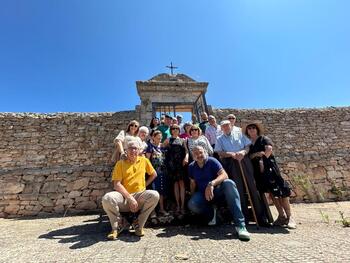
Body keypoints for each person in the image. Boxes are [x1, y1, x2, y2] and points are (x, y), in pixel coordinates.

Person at [215, 120, 272, 226]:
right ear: (221, 128)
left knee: (252, 187)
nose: (226, 127)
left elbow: (247, 146)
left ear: (231, 125)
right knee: (238, 190)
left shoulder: (240, 133)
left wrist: (243, 152)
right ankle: (243, 219)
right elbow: (219, 152)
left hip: (244, 160)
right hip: (231, 162)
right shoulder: (219, 139)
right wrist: (230, 154)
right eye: (224, 126)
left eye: (227, 125)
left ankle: (261, 218)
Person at [187, 146, 250, 241]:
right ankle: (213, 215)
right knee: (192, 204)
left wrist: (212, 184)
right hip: (203, 195)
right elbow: (192, 183)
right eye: (196, 153)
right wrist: (193, 195)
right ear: (193, 156)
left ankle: (240, 225)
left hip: (217, 191)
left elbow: (224, 175)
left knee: (229, 183)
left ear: (205, 152)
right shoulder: (191, 167)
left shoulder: (212, 161)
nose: (199, 155)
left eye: (200, 152)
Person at [102, 140, 160, 240]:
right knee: (107, 198)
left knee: (154, 195)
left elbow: (154, 174)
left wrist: (144, 185)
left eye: (135, 148)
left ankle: (138, 224)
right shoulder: (120, 164)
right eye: (130, 148)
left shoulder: (144, 161)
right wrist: (129, 198)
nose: (133, 150)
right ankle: (117, 226)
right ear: (126, 150)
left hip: (139, 197)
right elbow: (117, 185)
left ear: (139, 150)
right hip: (124, 197)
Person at [244, 121, 296, 229]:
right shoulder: (249, 143)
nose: (251, 129)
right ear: (247, 131)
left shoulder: (263, 139)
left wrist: (262, 160)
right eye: (249, 128)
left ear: (257, 129)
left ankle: (290, 217)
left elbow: (269, 149)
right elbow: (250, 156)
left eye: (253, 127)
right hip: (259, 172)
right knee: (272, 193)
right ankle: (281, 216)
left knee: (281, 191)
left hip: (270, 169)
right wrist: (257, 154)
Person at [163, 124, 189, 214]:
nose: (175, 130)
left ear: (179, 130)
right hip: (171, 165)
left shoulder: (182, 140)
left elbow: (186, 151)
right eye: (173, 128)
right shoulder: (168, 140)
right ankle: (178, 205)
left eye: (176, 128)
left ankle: (182, 206)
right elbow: (161, 149)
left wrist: (186, 158)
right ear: (171, 130)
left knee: (182, 184)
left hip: (180, 164)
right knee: (175, 185)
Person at [146, 130, 169, 216]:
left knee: (161, 191)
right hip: (154, 173)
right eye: (158, 138)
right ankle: (153, 211)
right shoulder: (150, 147)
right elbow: (147, 160)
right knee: (154, 191)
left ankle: (161, 209)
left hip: (163, 172)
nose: (159, 139)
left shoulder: (162, 147)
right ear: (153, 138)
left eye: (160, 138)